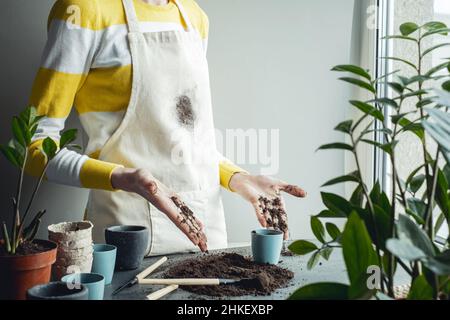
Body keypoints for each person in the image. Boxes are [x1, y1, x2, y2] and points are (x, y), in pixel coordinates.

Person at [27, 0, 306, 255]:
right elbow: (32, 147)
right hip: (126, 237)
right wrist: (126, 177)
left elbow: (186, 139)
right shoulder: (83, 11)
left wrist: (237, 178)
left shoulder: (194, 17)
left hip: (206, 234)